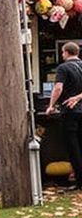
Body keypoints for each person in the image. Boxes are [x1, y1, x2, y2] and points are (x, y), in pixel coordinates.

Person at [46, 41, 82, 189]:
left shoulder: (63, 67)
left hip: (70, 110)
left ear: (66, 53)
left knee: (73, 147)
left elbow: (58, 87)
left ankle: (79, 180)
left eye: (62, 52)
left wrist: (51, 106)